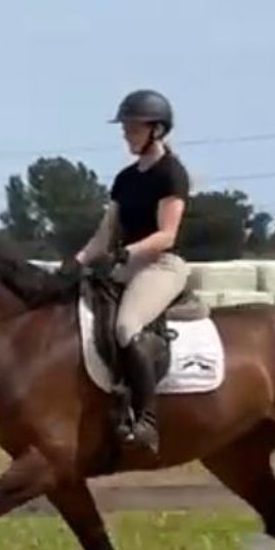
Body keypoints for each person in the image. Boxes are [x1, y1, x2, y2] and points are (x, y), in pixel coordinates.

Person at [67, 88, 191, 455]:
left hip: (161, 265)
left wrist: (123, 253)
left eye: (132, 127)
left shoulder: (171, 174)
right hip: (126, 262)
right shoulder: (125, 178)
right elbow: (103, 235)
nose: (126, 133)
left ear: (156, 129)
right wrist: (76, 262)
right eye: (125, 126)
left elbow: (166, 235)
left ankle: (147, 419)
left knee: (126, 326)